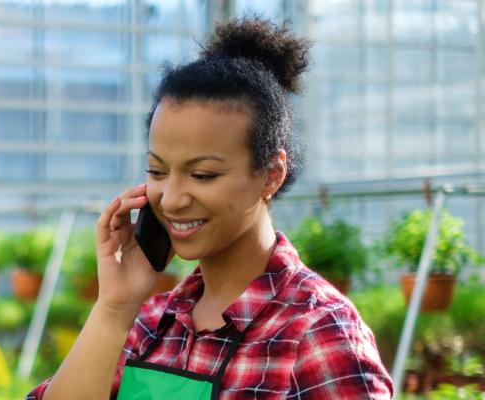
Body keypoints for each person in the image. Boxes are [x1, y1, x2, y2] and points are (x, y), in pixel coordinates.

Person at [27, 16, 393, 400]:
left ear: (271, 175)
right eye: (157, 171)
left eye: (202, 175)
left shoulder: (317, 333)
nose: (171, 199)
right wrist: (114, 308)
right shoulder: (149, 325)